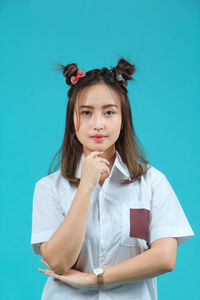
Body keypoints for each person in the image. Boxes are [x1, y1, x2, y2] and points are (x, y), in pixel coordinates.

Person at [30, 57, 195, 300]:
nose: (98, 124)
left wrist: (96, 278)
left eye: (109, 112)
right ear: (72, 121)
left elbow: (165, 258)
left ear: (123, 119)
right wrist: (86, 187)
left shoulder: (152, 182)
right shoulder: (48, 188)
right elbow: (58, 262)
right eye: (86, 113)